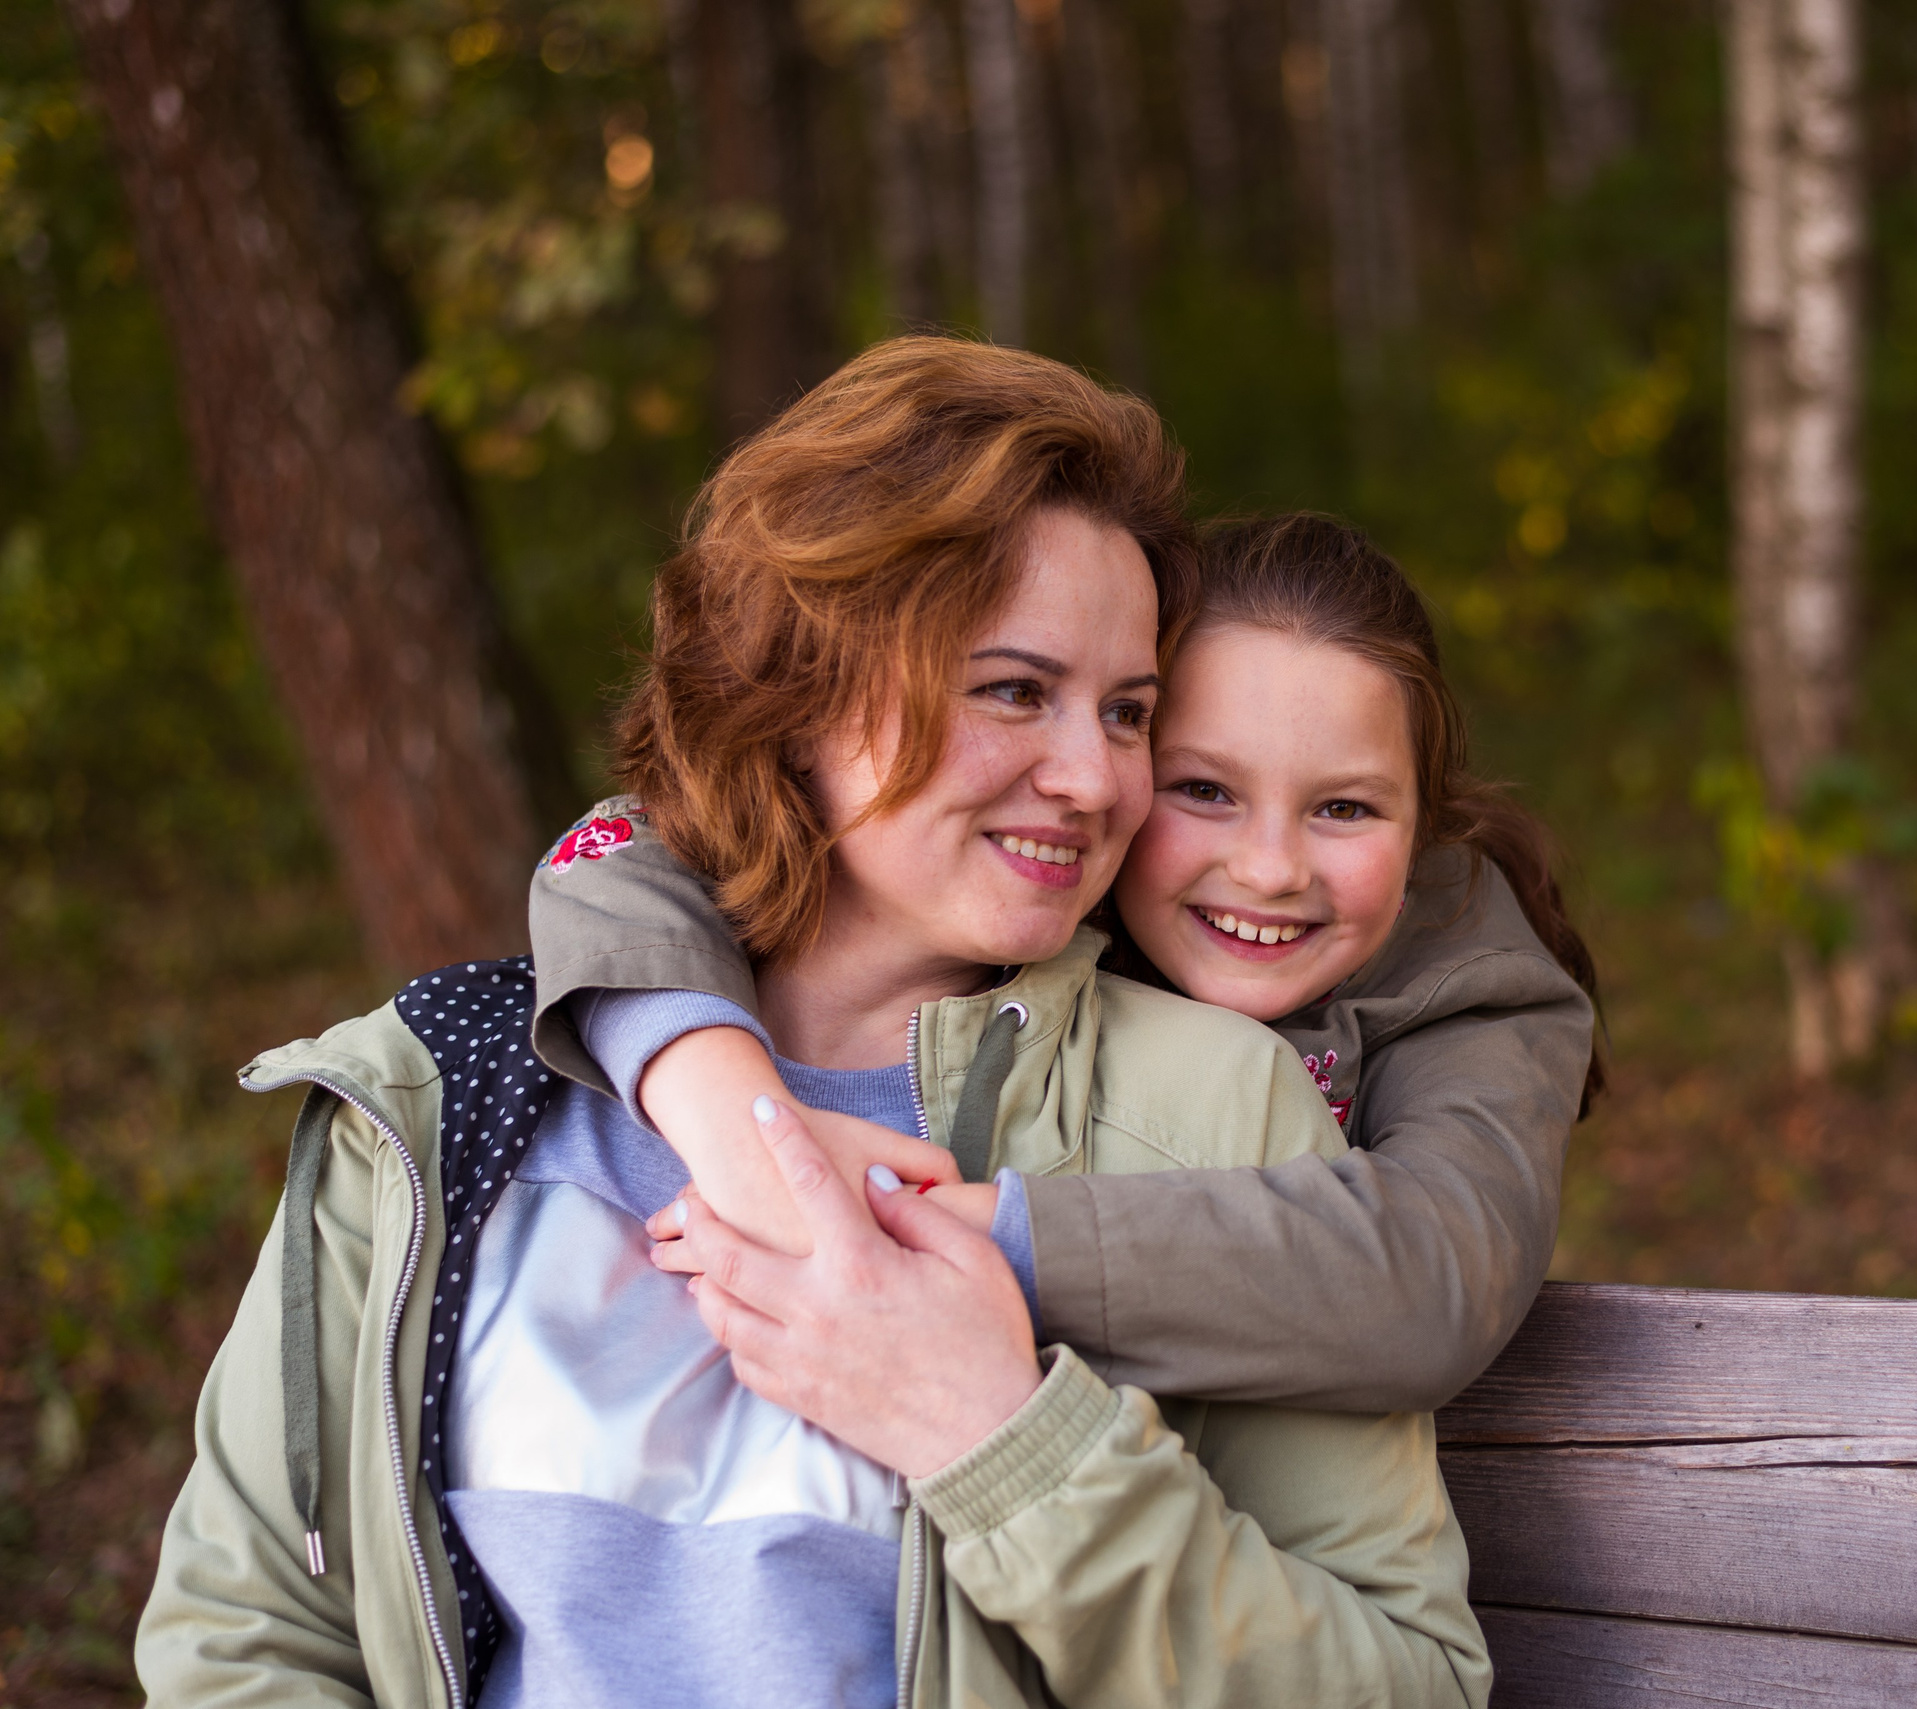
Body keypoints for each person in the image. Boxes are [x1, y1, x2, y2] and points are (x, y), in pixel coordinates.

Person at [135, 338, 1491, 1709]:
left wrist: (1003, 1440)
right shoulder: (444, 1102)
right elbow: (244, 1635)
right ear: (797, 691)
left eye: (1128, 711)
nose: (1095, 779)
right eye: (1015, 690)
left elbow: (1409, 1686)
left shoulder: (1209, 1106)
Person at [537, 516, 1604, 1423]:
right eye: (1203, 789)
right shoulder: (1058, 874)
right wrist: (735, 1123)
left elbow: (1435, 1272)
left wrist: (980, 1235)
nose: (1271, 869)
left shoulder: (1469, 973)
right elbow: (631, 846)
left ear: (1425, 823)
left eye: (1344, 807)